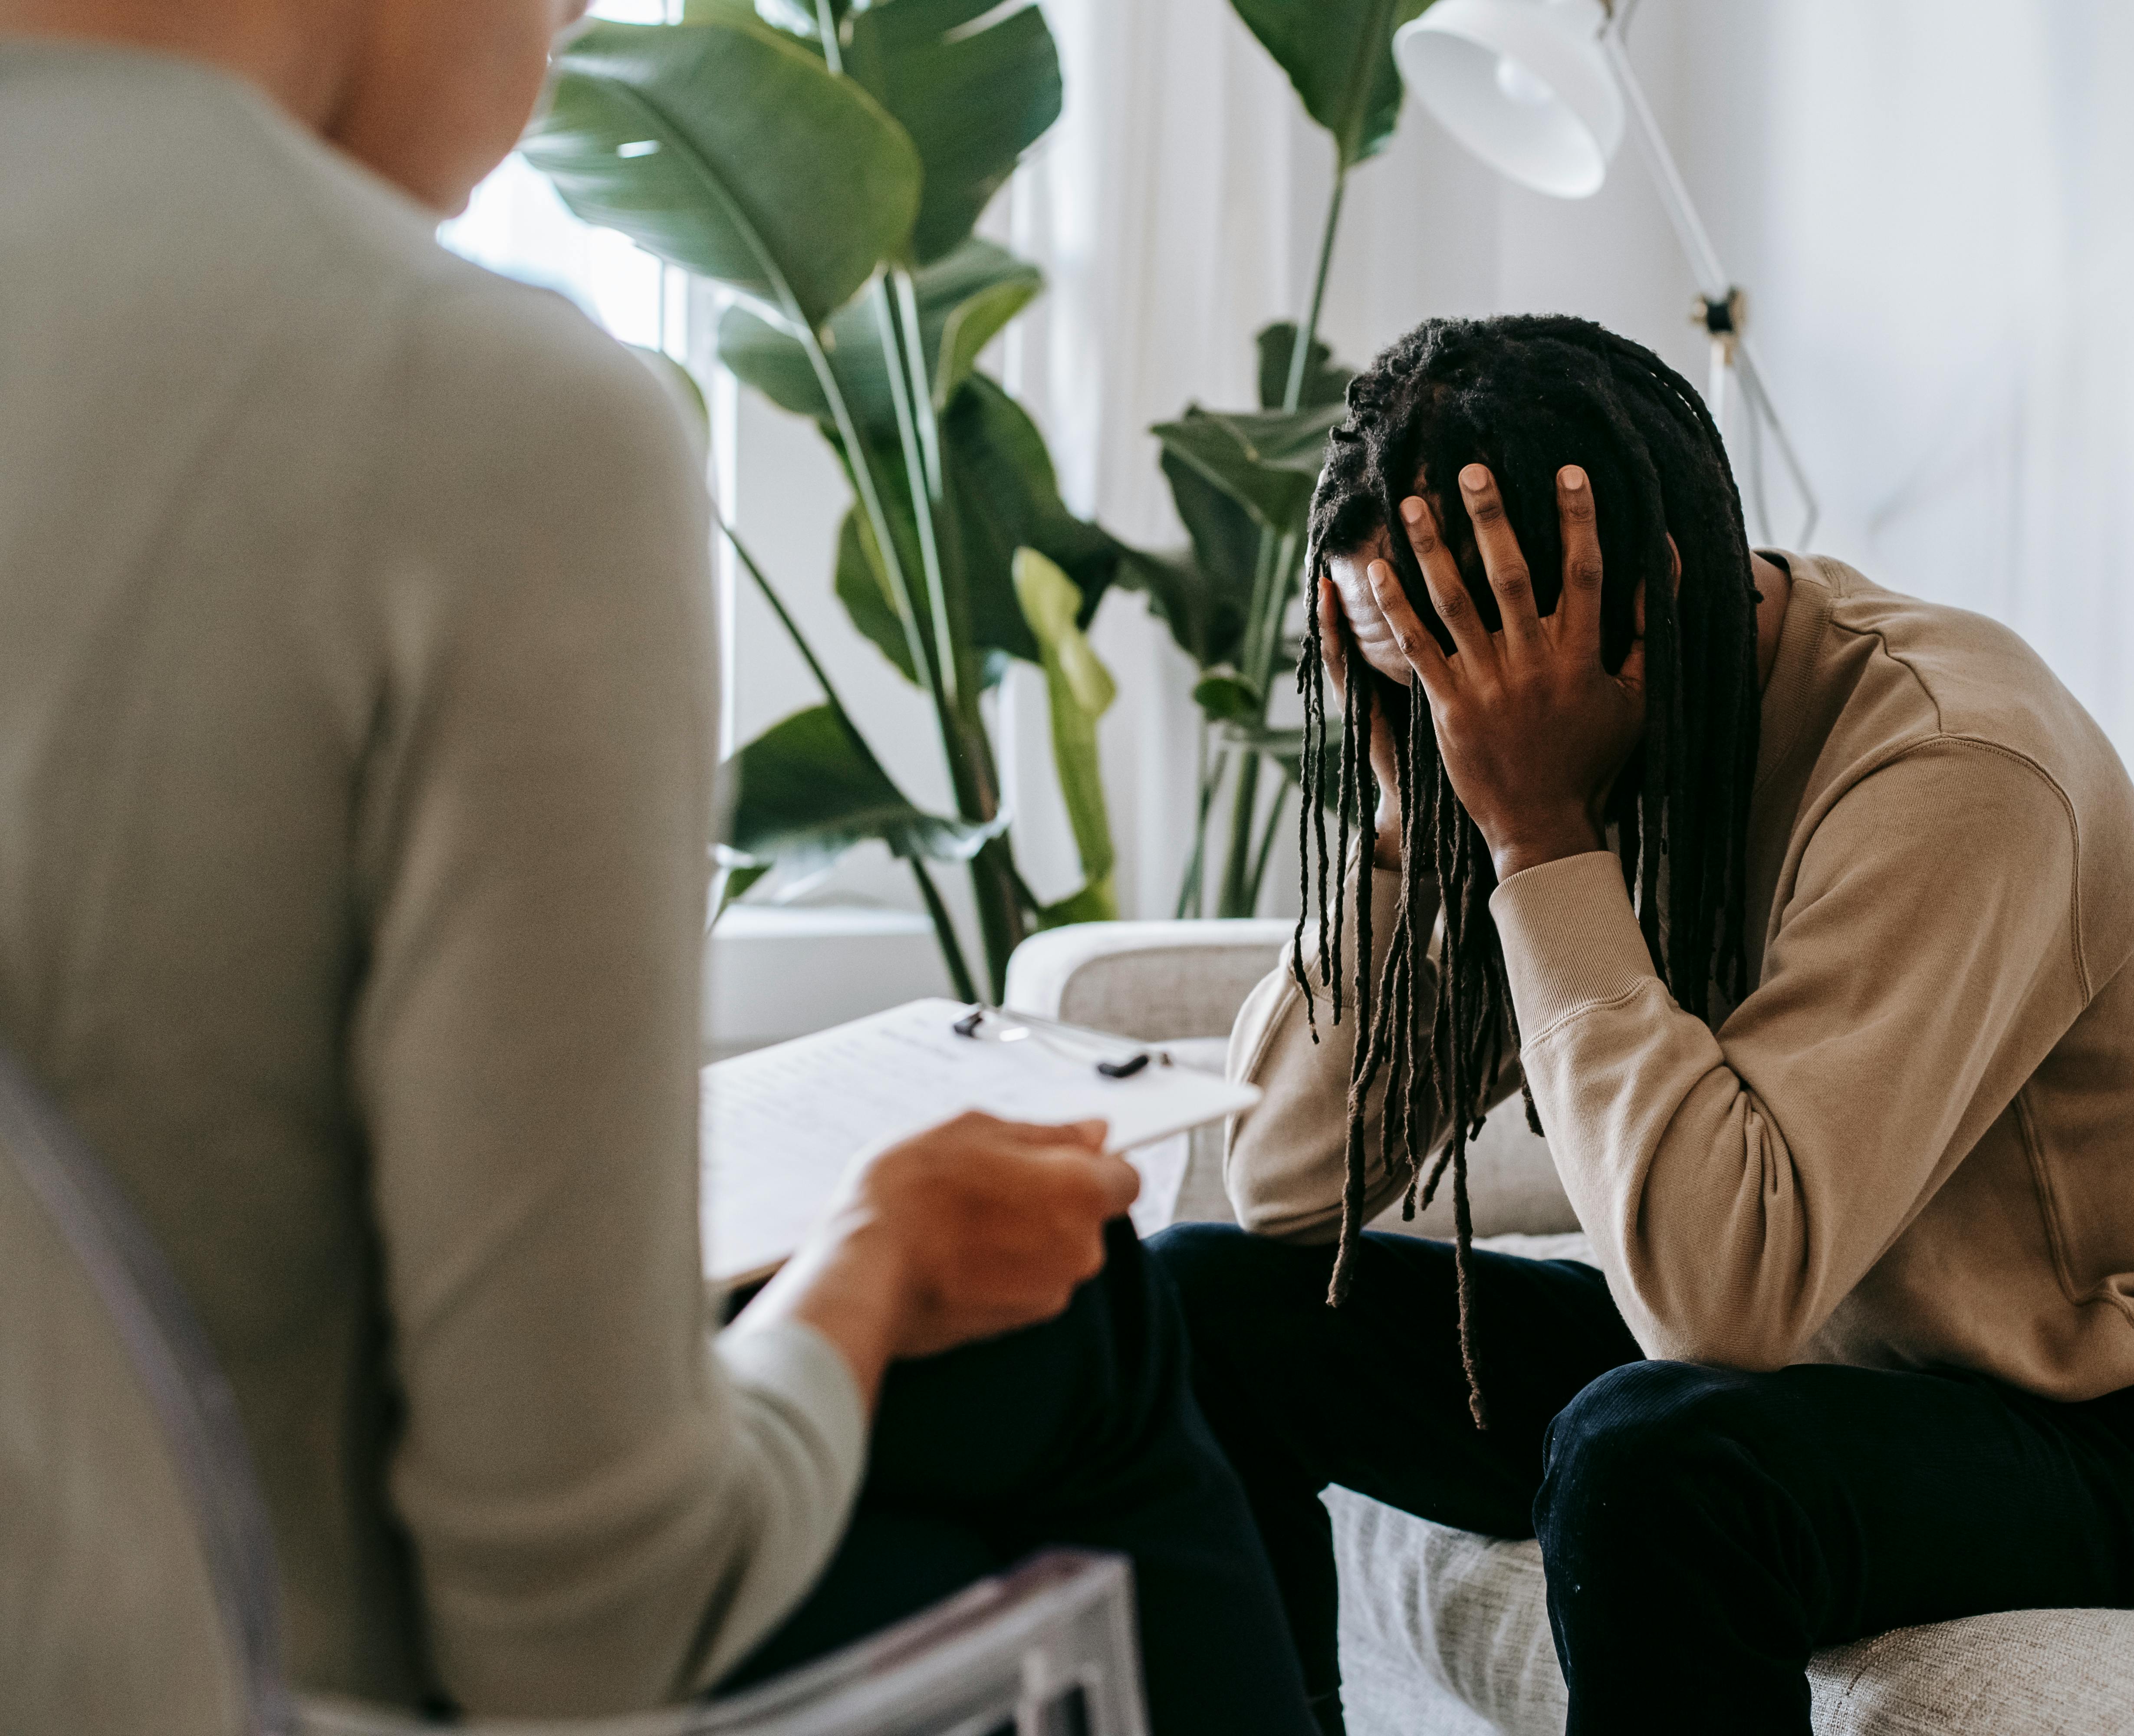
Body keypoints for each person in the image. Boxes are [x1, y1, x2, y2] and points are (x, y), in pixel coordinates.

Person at [0, 2, 1312, 1727]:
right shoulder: (475, 412)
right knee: (1092, 1347)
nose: (559, 44)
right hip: (249, 1664)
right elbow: (580, 1626)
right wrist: (875, 1260)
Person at [1148, 314, 2134, 1736]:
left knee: (1650, 1458)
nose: (1451, 722)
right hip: (1792, 1367)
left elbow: (1721, 1300)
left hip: (2096, 1437)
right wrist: (1403, 821)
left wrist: (1540, 836)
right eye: (1403, 674)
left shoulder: (1953, 765)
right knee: (1190, 1304)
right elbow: (1288, 1185)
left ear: (1652, 597)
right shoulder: (1536, 740)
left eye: (1463, 675)